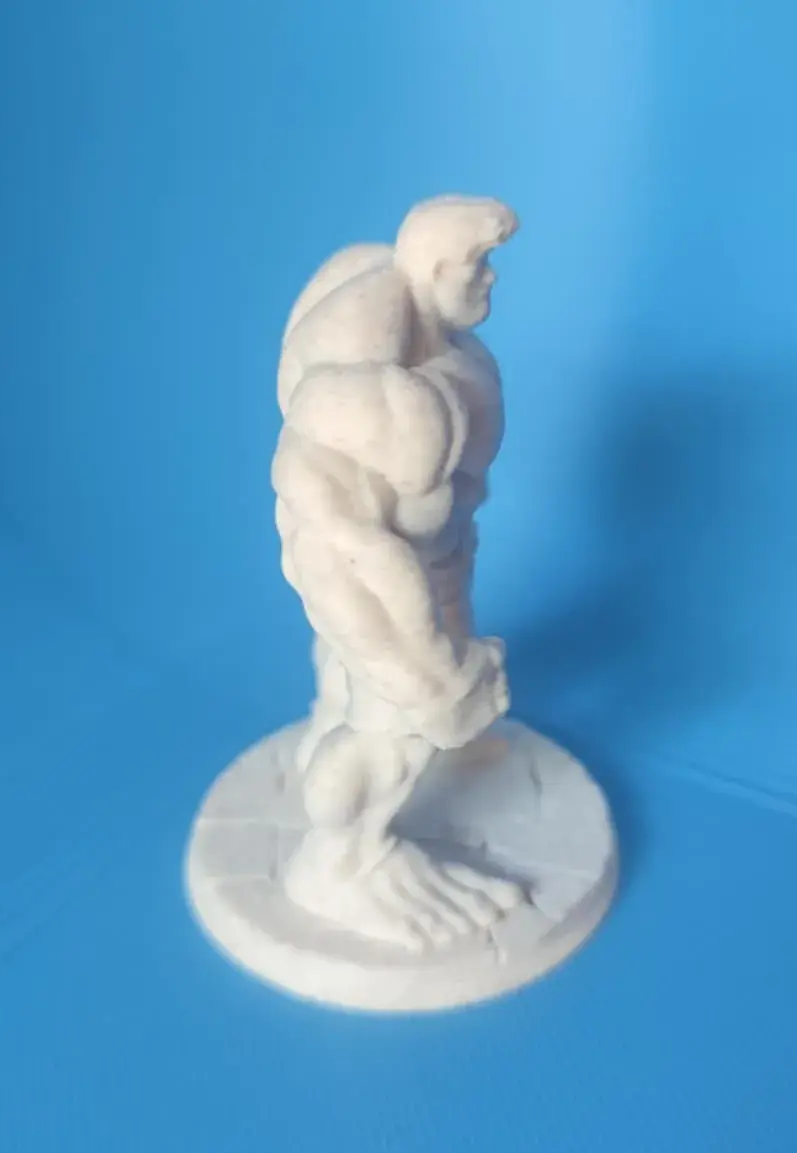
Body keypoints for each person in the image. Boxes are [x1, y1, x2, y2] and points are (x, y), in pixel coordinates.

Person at [269, 196, 527, 951]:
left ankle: (348, 753)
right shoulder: (357, 412)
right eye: (477, 265)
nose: (490, 279)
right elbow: (359, 563)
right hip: (366, 570)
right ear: (435, 268)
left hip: (434, 557)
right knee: (393, 718)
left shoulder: (443, 358)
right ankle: (345, 862)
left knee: (375, 690)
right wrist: (431, 675)